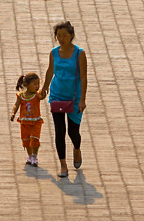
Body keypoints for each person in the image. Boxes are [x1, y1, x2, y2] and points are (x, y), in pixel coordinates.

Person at [38, 20, 88, 179]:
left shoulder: (80, 53)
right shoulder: (54, 52)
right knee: (60, 130)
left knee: (73, 132)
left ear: (71, 36)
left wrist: (82, 100)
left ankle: (77, 149)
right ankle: (63, 165)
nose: (61, 38)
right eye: (58, 35)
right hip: (57, 95)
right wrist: (45, 88)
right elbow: (50, 70)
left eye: (64, 35)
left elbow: (84, 77)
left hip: (74, 97)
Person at [11, 72, 44, 168]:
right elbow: (16, 105)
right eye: (35, 84)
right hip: (24, 122)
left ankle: (34, 156)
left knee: (34, 139)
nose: (37, 86)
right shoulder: (21, 96)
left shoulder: (37, 95)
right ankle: (30, 156)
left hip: (35, 121)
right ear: (26, 85)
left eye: (38, 84)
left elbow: (42, 96)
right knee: (26, 140)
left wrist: (44, 92)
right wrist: (13, 113)